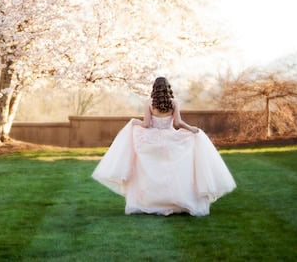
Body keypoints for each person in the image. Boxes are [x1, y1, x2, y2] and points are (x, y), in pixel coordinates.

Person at [92, 77, 236, 217]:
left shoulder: (149, 102)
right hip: (170, 138)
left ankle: (151, 202)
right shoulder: (173, 103)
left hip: (152, 140)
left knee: (151, 170)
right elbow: (178, 123)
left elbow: (147, 124)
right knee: (172, 171)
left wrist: (135, 122)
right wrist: (191, 128)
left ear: (154, 88)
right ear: (168, 88)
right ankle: (175, 201)